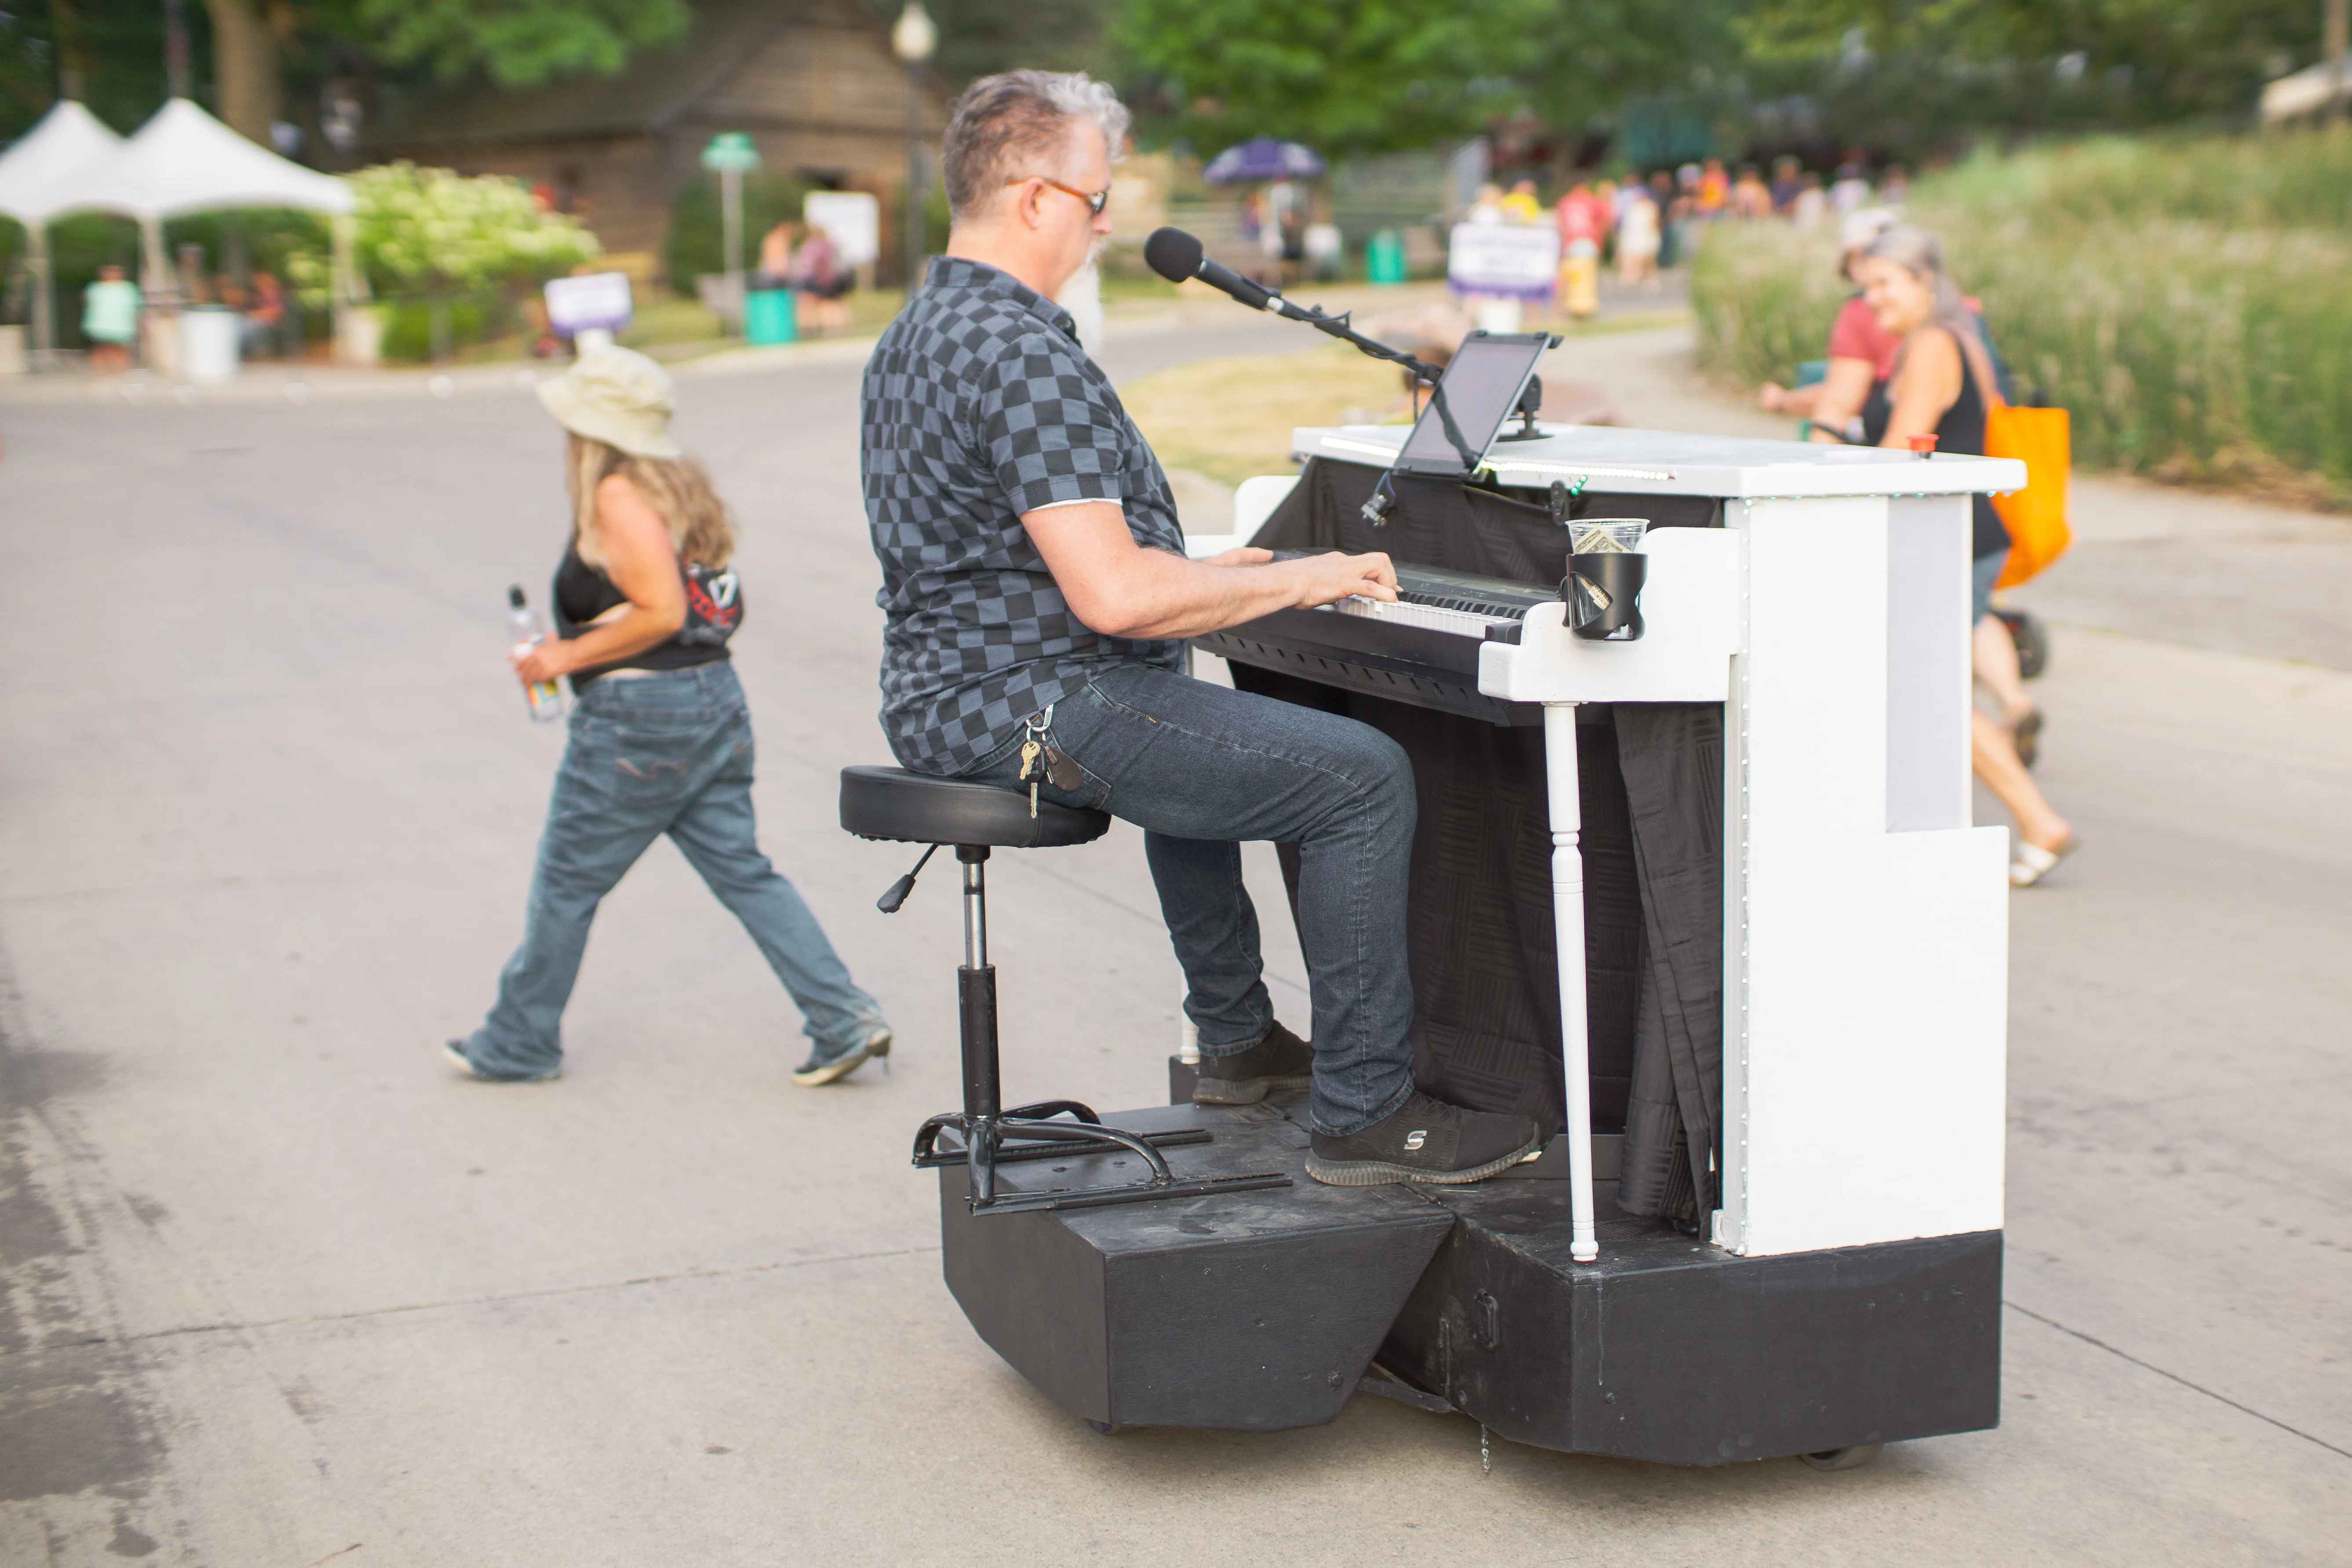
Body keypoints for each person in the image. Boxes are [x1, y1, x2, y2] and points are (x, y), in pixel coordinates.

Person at [861, 70, 1542, 1186]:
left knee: (1194, 715)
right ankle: (1368, 1114)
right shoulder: (1019, 349)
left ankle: (1234, 1042)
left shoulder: (922, 329)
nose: (1109, 221)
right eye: (1097, 198)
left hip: (955, 690)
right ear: (1034, 199)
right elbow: (1115, 599)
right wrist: (1308, 575)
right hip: (1026, 706)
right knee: (1358, 777)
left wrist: (1214, 574)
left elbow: (1002, 547)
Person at [449, 346, 892, 1084]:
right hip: (711, 701)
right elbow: (711, 606)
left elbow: (661, 609)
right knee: (746, 873)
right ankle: (841, 1015)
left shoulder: (620, 494)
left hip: (639, 718)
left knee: (566, 883)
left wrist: (563, 655)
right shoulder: (681, 486)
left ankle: (519, 1041)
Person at [1850, 227, 2074, 887]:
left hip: (1941, 534)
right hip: (1964, 531)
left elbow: (1896, 453)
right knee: (1927, 681)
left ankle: (2038, 820)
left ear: (1924, 281)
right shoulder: (1958, 335)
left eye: (1883, 284)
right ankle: (2018, 819)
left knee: (1930, 686)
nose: (1870, 300)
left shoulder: (1928, 344)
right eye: (1865, 287)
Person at [1757, 207, 1900, 432]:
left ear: (1855, 258)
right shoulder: (1958, 305)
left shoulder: (1862, 310)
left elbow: (1839, 402)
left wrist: (1781, 401)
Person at [82, 264, 140, 375]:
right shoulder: (96, 288)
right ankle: (100, 373)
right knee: (101, 349)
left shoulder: (128, 289)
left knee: (120, 349)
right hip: (100, 325)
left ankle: (120, 372)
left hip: (121, 326)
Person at [1615, 182, 1661, 290]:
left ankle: (1649, 279)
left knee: (1648, 259)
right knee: (1633, 257)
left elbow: (1654, 223)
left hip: (1646, 236)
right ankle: (1633, 278)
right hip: (1635, 237)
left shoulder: (1650, 207)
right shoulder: (1632, 209)